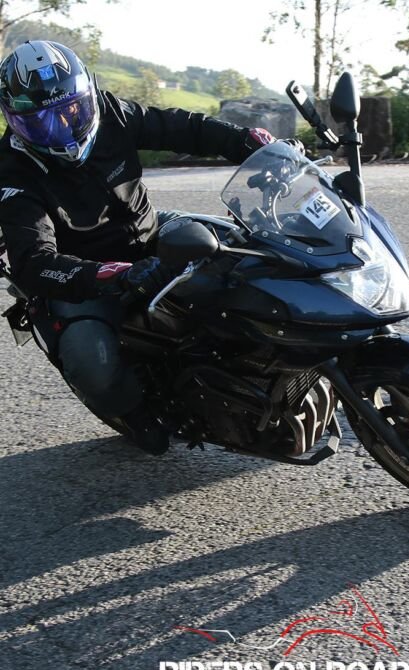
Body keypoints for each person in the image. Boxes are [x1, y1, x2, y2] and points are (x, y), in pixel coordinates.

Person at [0, 40, 277, 455]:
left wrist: (248, 142)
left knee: (243, 248)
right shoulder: (13, 173)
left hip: (150, 231)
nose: (63, 128)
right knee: (88, 356)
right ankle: (132, 412)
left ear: (88, 96)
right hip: (86, 273)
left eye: (72, 110)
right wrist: (108, 275)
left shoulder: (110, 112)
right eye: (42, 122)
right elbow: (32, 261)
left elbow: (180, 127)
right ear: (15, 120)